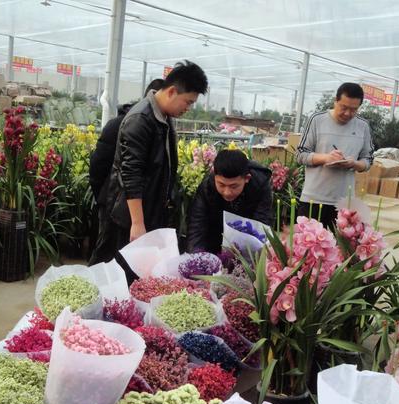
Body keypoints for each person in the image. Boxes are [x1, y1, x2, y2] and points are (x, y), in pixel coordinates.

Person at [91, 61, 208, 264]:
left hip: (151, 209)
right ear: (172, 91)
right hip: (128, 216)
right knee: (121, 268)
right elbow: (131, 172)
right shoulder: (140, 119)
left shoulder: (162, 116)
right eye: (188, 102)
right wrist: (137, 223)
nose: (188, 108)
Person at [88, 79, 165, 264]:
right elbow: (97, 166)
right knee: (109, 254)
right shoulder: (120, 125)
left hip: (139, 205)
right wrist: (106, 197)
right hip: (113, 202)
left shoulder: (162, 127)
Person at [295, 82, 374, 228]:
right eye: (343, 107)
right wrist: (326, 158)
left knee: (339, 249)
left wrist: (354, 164)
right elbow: (300, 154)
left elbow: (368, 159)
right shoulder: (316, 120)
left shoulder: (363, 126)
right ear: (335, 101)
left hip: (345, 204)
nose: (348, 113)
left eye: (353, 110)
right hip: (313, 200)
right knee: (307, 248)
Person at [186, 149, 273, 254]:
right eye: (221, 185)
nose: (227, 192)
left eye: (234, 186)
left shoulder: (260, 186)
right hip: (214, 237)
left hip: (247, 245)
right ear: (214, 176)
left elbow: (261, 225)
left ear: (247, 178)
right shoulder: (207, 187)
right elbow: (197, 226)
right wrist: (197, 259)